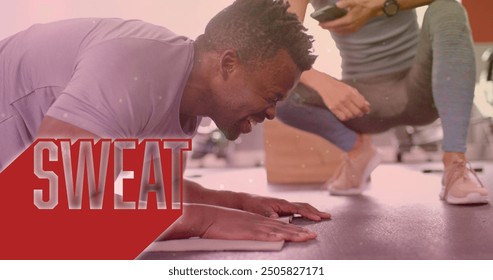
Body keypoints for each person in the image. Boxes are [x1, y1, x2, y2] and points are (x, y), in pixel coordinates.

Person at [0, 0, 331, 242]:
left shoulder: (182, 96)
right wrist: (205, 220)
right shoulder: (133, 69)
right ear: (228, 64)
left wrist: (241, 203)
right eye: (270, 97)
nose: (272, 113)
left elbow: (152, 194)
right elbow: (56, 202)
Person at [277, 0, 489, 204]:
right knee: (277, 89)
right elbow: (281, 45)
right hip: (364, 105)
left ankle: (455, 164)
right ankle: (358, 151)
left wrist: (380, 5)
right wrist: (322, 83)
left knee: (448, 8)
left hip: (420, 92)